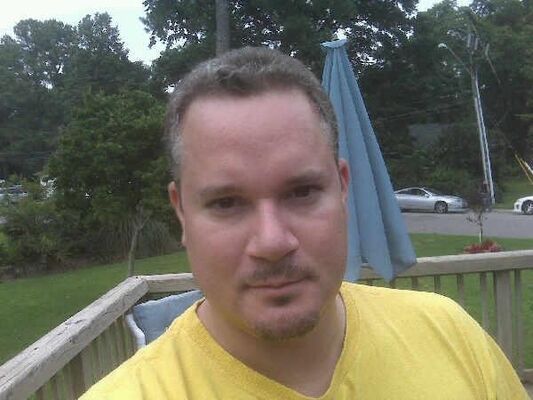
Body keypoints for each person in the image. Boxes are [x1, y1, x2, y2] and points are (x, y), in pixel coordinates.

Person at [81, 47, 528, 399]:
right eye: (226, 203)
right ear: (181, 211)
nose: (272, 242)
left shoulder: (448, 334)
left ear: (342, 187)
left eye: (301, 192)